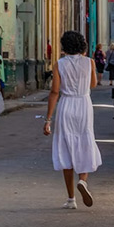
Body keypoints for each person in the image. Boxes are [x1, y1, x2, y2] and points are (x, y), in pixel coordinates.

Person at [43, 31, 102, 209]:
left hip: (66, 105)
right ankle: (83, 181)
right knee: (85, 142)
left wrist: (48, 119)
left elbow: (55, 92)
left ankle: (71, 199)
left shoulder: (59, 64)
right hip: (84, 104)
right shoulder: (89, 62)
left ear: (64, 46)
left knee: (66, 148)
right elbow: (93, 84)